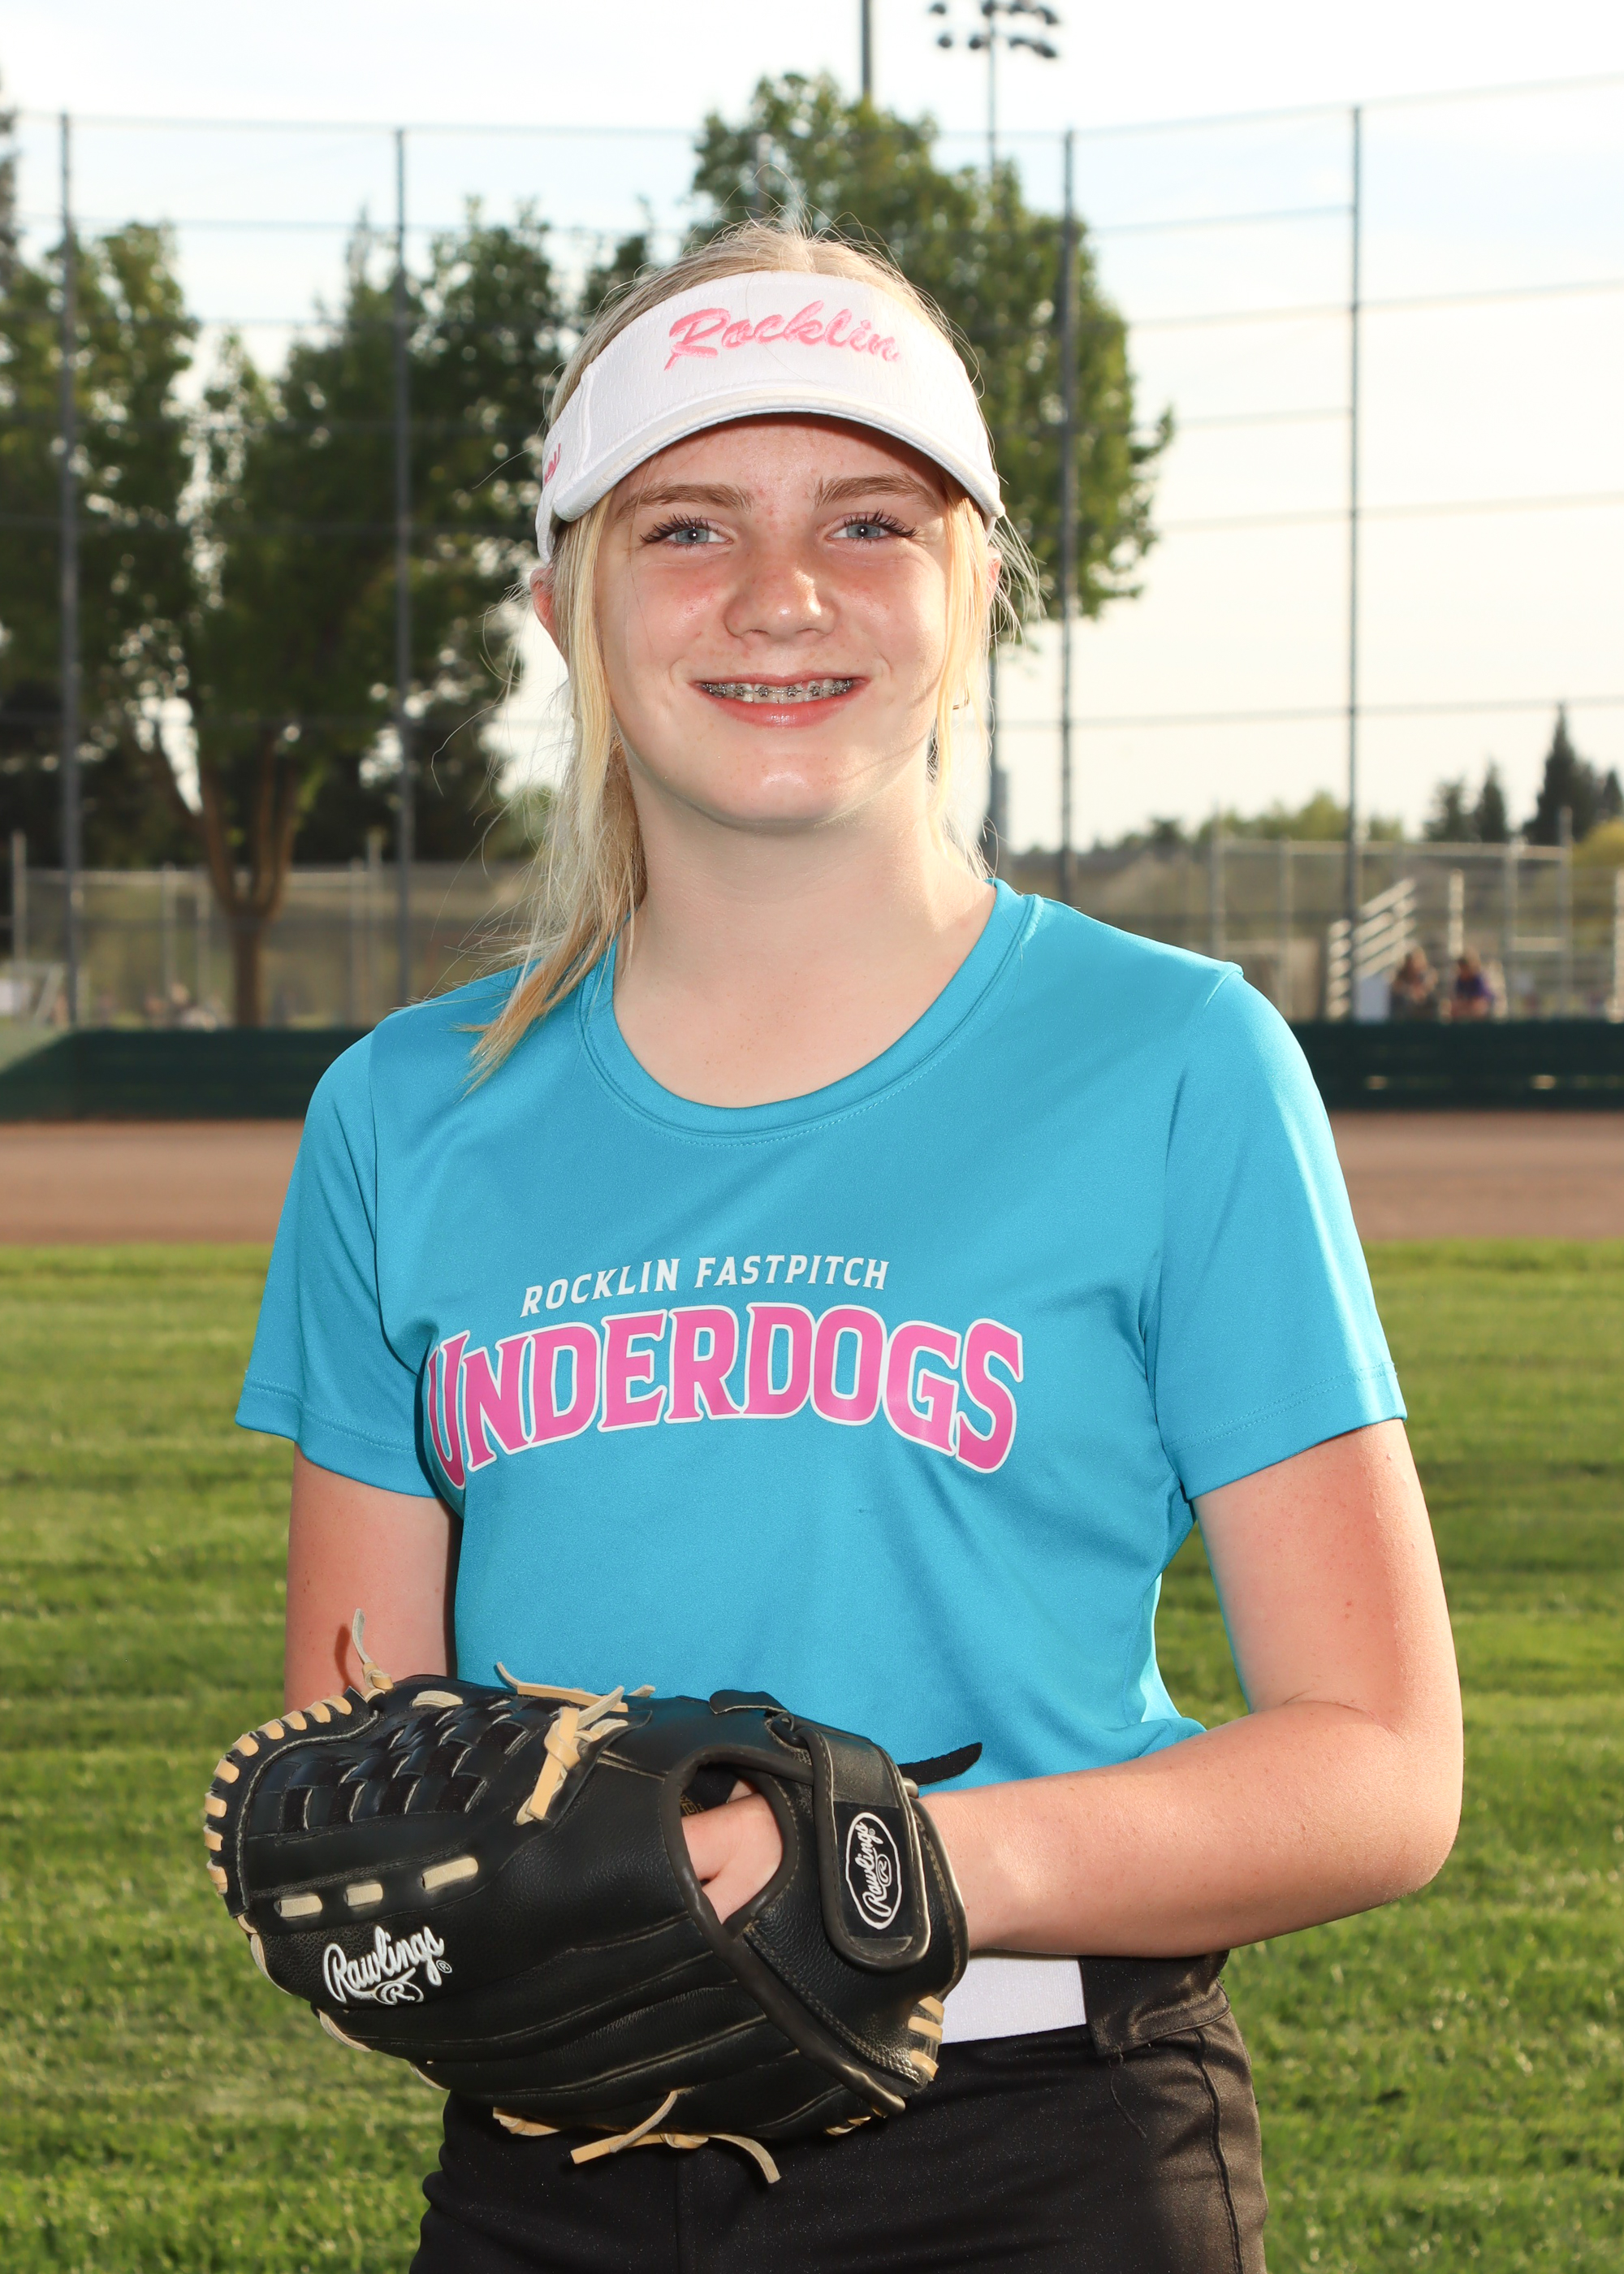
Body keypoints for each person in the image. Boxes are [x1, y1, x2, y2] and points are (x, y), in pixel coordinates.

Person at [240, 223, 1462, 2273]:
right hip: (556, 2159)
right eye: (686, 526)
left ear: (977, 586)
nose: (779, 592)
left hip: (1035, 2145)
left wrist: (875, 1862)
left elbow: (1377, 1770)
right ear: (560, 604)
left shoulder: (1171, 1060)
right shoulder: (404, 1112)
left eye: (867, 519)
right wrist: (427, 1888)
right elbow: (355, 1759)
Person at [1388, 946, 1438, 1020]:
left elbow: (1428, 996)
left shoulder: (1426, 977)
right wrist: (1410, 993)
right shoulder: (1400, 980)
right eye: (1413, 961)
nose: (1416, 964)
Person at [1449, 949, 1495, 1021]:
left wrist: (1466, 1006)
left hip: (1486, 1006)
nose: (1461, 970)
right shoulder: (1460, 980)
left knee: (1478, 1008)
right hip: (1468, 1007)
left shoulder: (1478, 979)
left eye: (1464, 967)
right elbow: (1458, 999)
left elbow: (1478, 1001)